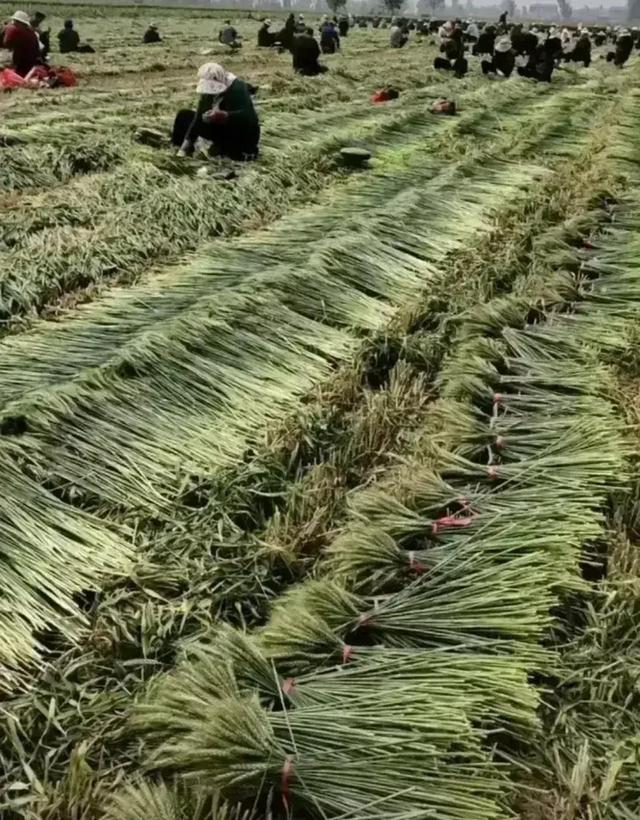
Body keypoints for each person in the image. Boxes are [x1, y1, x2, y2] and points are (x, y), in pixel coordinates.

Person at [173, 63, 259, 161]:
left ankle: (228, 151)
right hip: (220, 128)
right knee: (184, 116)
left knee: (221, 156)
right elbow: (198, 119)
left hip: (240, 135)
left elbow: (248, 117)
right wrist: (183, 149)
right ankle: (181, 152)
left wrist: (223, 116)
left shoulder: (237, 88)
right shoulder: (207, 93)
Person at [2, 10, 41, 76]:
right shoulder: (32, 33)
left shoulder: (13, 30)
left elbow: (6, 43)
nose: (12, 23)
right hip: (31, 66)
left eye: (14, 21)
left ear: (18, 22)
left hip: (20, 67)